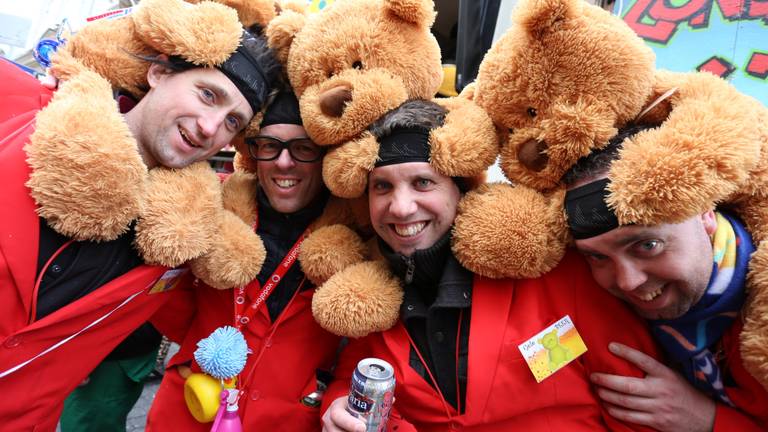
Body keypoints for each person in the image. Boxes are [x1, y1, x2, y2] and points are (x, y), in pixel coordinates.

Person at [319, 100, 663, 431]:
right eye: (383, 187)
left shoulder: (551, 270)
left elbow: (641, 408)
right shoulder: (371, 299)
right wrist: (337, 408)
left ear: (460, 188)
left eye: (423, 182)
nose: (402, 207)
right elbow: (349, 381)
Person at [0, 25, 280, 431]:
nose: (209, 127)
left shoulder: (182, 236)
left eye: (231, 121)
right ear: (160, 73)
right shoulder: (23, 108)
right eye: (207, 94)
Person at [146, 89, 346, 431]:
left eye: (303, 148)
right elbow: (166, 302)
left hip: (287, 421)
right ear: (254, 152)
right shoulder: (212, 208)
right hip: (189, 411)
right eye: (270, 145)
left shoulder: (354, 238)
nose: (284, 162)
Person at [561, 124, 768, 431]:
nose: (627, 281)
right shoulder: (588, 295)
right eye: (597, 257)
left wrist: (707, 420)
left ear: (705, 213)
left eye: (647, 245)